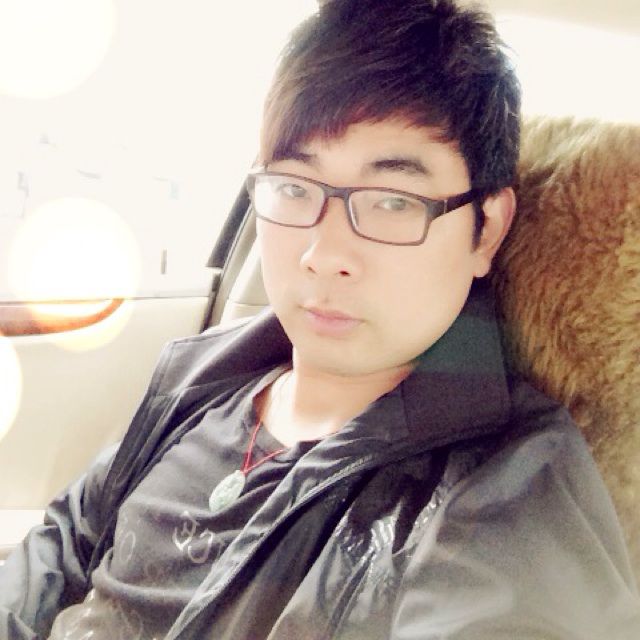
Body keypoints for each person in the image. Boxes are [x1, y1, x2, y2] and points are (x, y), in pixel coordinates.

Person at [2, 0, 639, 638]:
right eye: (294, 188)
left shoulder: (508, 493)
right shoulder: (203, 375)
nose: (323, 253)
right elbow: (61, 547)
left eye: (393, 201)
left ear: (487, 230)